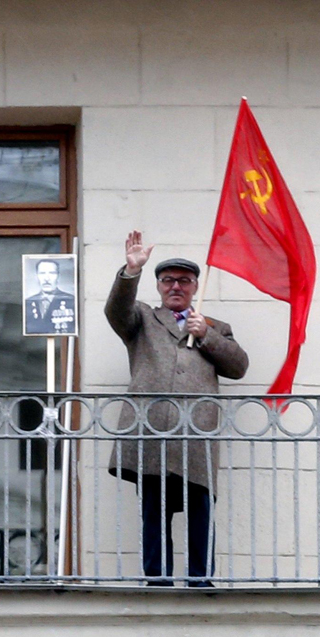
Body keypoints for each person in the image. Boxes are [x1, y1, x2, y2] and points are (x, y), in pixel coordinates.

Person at [105, 230, 249, 586]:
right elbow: (116, 311)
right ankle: (157, 580)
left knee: (200, 508)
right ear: (158, 287)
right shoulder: (142, 319)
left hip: (196, 436)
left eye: (184, 281)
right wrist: (131, 271)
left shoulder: (215, 327)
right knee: (153, 510)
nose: (175, 287)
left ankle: (201, 580)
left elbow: (239, 366)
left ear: (195, 287)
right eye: (168, 280)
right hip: (152, 432)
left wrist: (207, 336)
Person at [24, 258, 76, 334]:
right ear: (37, 275)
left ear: (58, 275)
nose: (47, 278)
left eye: (52, 273)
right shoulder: (27, 303)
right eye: (42, 273)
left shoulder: (71, 301)